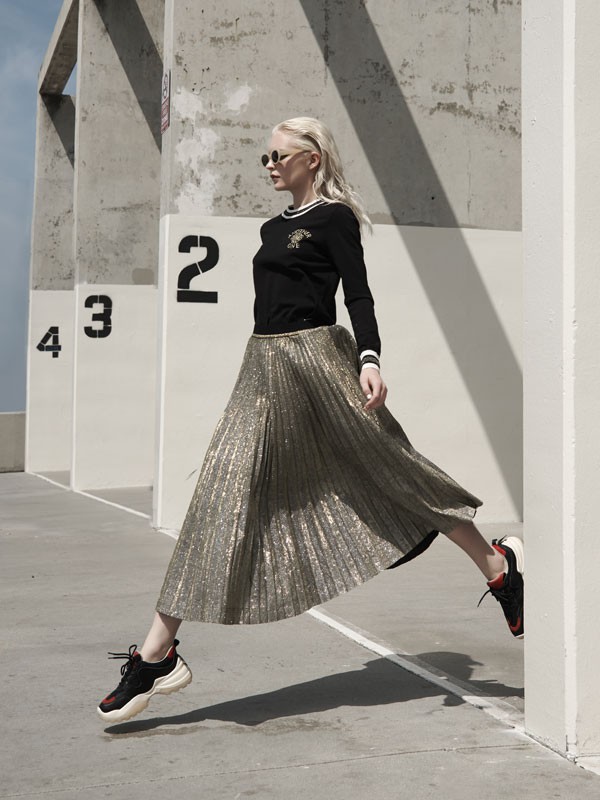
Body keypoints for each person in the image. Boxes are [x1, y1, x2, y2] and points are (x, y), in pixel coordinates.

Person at [97, 117, 524, 724]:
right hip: (261, 369)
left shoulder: (334, 218)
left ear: (312, 158)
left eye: (279, 155)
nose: (270, 164)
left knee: (395, 471)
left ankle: (498, 566)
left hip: (322, 362)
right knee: (217, 497)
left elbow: (358, 294)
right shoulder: (272, 228)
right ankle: (156, 656)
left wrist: (369, 357)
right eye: (265, 157)